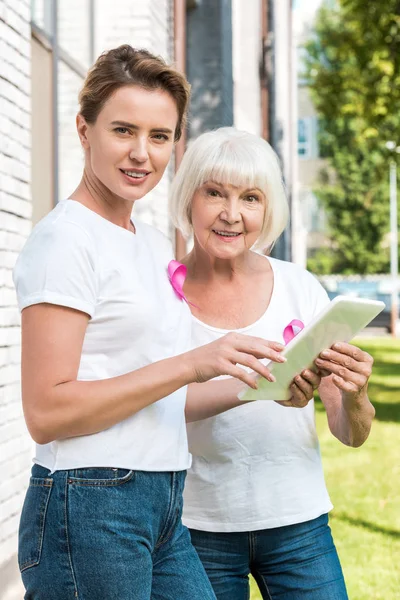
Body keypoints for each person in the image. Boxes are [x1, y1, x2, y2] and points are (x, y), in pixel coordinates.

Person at [13, 48, 286, 600]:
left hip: (160, 501)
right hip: (88, 503)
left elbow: (161, 399)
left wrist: (263, 384)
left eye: (160, 136)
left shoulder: (151, 244)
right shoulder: (66, 242)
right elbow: (46, 412)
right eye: (123, 130)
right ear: (84, 130)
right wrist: (189, 363)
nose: (142, 154)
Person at [169, 127, 375, 600]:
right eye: (214, 192)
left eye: (251, 198)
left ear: (268, 209)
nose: (231, 214)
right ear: (189, 198)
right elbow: (151, 402)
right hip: (197, 528)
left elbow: (351, 432)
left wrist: (356, 394)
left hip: (298, 525)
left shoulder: (299, 287)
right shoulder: (163, 295)